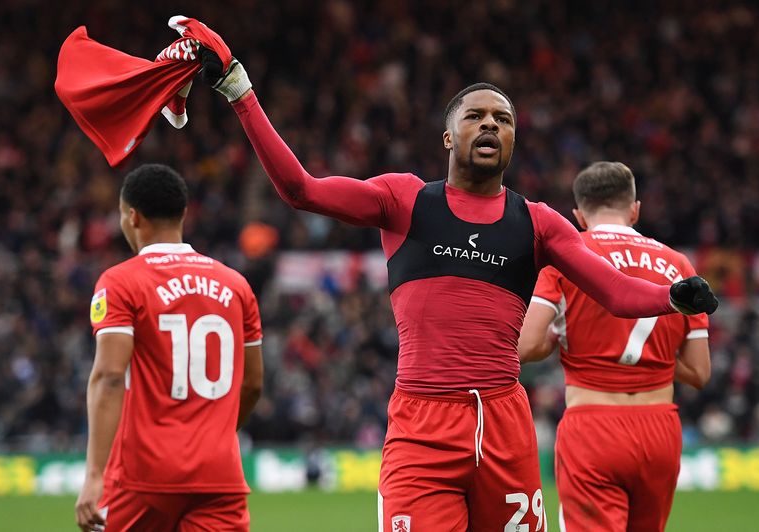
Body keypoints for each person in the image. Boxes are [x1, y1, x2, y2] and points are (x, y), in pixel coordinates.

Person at [196, 43, 717, 531]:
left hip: (506, 424)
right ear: (448, 137)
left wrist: (672, 297)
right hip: (422, 424)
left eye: (503, 119)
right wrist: (241, 92)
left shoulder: (539, 223)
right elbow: (300, 189)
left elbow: (616, 291)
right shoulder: (403, 200)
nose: (490, 123)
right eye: (475, 116)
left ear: (512, 141)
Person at [517, 162, 711, 531]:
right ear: (635, 208)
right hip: (660, 429)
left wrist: (562, 338)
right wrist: (651, 356)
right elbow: (700, 373)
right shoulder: (680, 264)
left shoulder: (566, 257)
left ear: (578, 215)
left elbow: (526, 345)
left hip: (593, 425)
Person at [74, 164, 264, 532]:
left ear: (132, 216)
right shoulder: (237, 285)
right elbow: (253, 385)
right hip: (219, 474)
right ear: (184, 213)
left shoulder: (121, 282)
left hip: (142, 476)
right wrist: (213, 433)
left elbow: (110, 377)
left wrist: (94, 474)